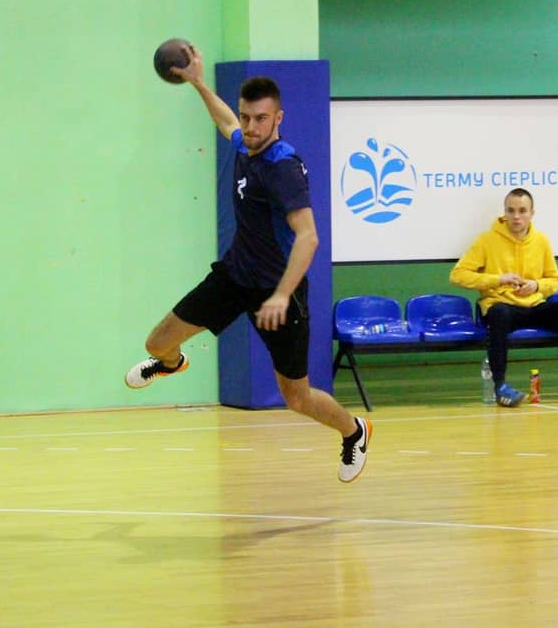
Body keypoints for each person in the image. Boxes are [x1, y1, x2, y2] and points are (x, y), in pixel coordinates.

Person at [124, 46, 372, 483]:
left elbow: (309, 236)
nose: (251, 127)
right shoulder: (245, 143)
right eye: (247, 117)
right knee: (157, 342)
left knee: (296, 397)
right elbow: (225, 122)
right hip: (235, 276)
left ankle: (354, 431)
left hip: (279, 294)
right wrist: (198, 83)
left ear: (278, 118)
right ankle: (172, 363)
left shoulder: (283, 168)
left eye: (261, 119)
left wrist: (281, 295)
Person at [450, 188, 558, 407]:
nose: (516, 216)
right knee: (498, 313)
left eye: (522, 211)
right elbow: (458, 275)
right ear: (504, 212)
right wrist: (498, 279)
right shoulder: (486, 240)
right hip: (502, 306)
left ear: (532, 213)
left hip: (534, 305)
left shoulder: (541, 240)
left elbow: (554, 280)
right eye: (511, 210)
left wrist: (536, 285)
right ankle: (500, 387)